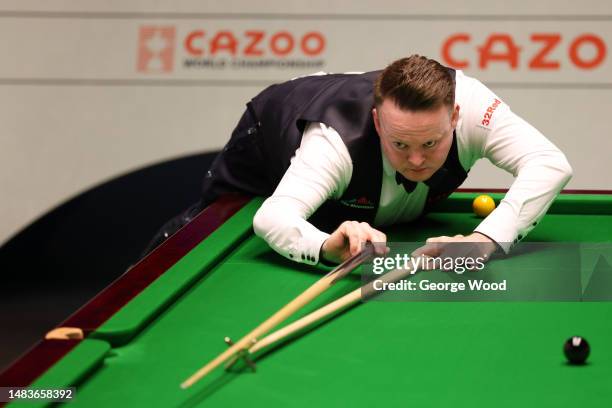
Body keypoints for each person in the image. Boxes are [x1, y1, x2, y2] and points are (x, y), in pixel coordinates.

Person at [143, 55, 572, 265]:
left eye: (432, 143)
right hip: (268, 141)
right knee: (207, 227)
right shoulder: (334, 142)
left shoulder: (475, 108)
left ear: (455, 118)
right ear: (377, 122)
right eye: (401, 145)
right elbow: (271, 219)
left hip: (360, 171)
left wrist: (490, 238)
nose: (418, 161)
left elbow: (549, 163)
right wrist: (324, 246)